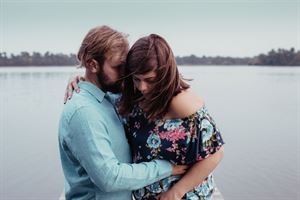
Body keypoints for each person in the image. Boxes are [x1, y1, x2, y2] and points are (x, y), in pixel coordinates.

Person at [66, 34, 225, 200]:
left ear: (164, 74)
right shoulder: (133, 95)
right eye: (137, 79)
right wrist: (81, 80)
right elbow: (102, 88)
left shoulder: (182, 102)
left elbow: (216, 152)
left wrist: (177, 192)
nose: (142, 87)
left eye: (150, 80)